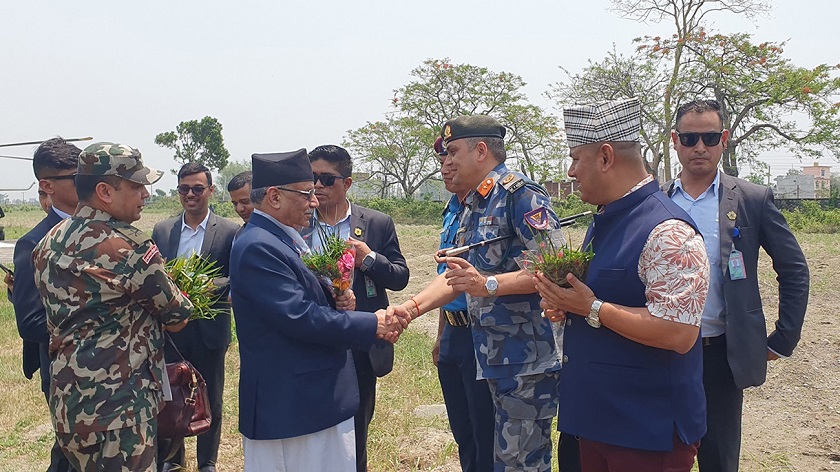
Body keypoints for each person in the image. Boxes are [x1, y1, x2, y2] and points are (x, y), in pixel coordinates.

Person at [534, 98, 709, 472]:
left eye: (576, 158)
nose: (570, 172)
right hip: (597, 422)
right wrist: (567, 307)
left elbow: (678, 332)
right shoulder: (606, 220)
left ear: (606, 156)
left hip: (647, 431)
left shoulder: (668, 231)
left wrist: (592, 309)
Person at [388, 115, 562, 471]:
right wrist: (409, 308)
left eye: (452, 152)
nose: (445, 161)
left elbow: (553, 266)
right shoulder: (473, 203)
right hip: (490, 358)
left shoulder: (521, 195)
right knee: (493, 458)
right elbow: (458, 277)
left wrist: (489, 284)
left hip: (524, 362)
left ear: (481, 150)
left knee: (521, 463)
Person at [229, 149, 404, 471]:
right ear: (274, 197)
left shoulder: (281, 238)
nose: (314, 201)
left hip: (310, 399)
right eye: (306, 193)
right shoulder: (259, 246)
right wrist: (371, 323)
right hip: (292, 405)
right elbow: (299, 316)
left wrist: (336, 298)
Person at [665, 99, 810, 472]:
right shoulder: (656, 202)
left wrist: (783, 338)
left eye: (710, 137)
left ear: (724, 139)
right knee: (661, 454)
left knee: (718, 459)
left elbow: (793, 269)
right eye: (690, 137)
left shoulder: (751, 199)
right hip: (662, 350)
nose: (700, 146)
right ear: (675, 141)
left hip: (719, 355)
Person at [31, 142, 192, 471]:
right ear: (104, 190)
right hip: (120, 411)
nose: (145, 194)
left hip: (69, 406)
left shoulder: (49, 241)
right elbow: (178, 316)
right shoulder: (128, 246)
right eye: (136, 186)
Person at [300, 144, 410, 472]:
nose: (317, 186)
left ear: (347, 183)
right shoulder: (300, 223)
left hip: (360, 341)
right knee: (313, 428)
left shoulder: (376, 223)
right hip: (314, 336)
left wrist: (369, 259)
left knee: (356, 429)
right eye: (312, 178)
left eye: (326, 179)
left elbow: (400, 277)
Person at [152, 162, 239, 472]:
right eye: (184, 189)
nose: (190, 194)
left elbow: (236, 277)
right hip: (171, 332)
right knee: (169, 397)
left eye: (197, 188)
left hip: (209, 331)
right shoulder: (162, 230)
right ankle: (172, 460)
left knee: (210, 398)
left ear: (210, 191)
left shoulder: (230, 231)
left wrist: (202, 285)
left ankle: (208, 463)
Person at [10, 137, 81, 472]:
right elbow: (30, 321)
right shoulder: (34, 243)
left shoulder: (104, 230)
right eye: (76, 177)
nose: (86, 183)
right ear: (47, 186)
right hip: (67, 374)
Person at [430, 136, 494, 472]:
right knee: (463, 432)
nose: (446, 166)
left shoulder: (488, 207)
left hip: (481, 334)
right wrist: (441, 334)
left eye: (452, 156)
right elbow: (448, 279)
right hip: (454, 334)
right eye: (442, 159)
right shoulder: (452, 210)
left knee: (486, 431)